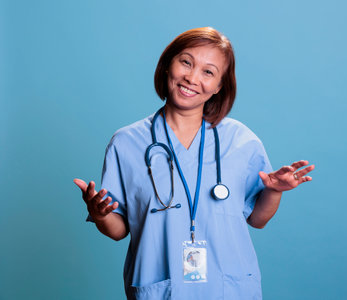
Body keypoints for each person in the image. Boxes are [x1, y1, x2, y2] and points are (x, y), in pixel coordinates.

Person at [74, 27, 315, 300]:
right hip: (162, 290)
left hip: (230, 290)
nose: (192, 77)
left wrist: (274, 190)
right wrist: (100, 214)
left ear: (219, 86)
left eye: (208, 72)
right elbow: (119, 231)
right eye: (186, 62)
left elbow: (258, 219)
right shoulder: (126, 143)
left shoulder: (241, 141)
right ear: (167, 65)